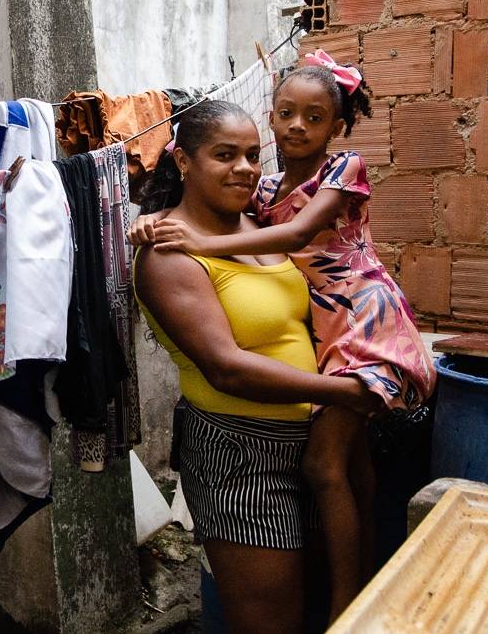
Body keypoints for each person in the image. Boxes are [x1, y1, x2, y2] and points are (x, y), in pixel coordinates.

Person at [133, 52, 437, 622]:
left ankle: (356, 608)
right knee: (274, 618)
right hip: (243, 453)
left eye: (251, 155)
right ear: (182, 159)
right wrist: (344, 395)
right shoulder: (171, 255)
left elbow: (307, 241)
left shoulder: (263, 218)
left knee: (329, 582)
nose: (244, 169)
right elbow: (226, 367)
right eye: (224, 155)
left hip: (321, 416)